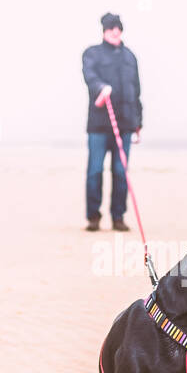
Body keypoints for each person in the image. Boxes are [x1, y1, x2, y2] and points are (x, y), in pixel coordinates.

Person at [81, 12, 142, 231]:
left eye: (118, 27)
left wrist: (138, 123)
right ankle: (93, 217)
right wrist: (100, 88)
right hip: (98, 126)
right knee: (95, 171)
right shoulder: (92, 54)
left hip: (125, 125)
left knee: (120, 171)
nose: (115, 31)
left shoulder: (129, 57)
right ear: (104, 30)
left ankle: (118, 217)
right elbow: (89, 76)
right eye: (111, 28)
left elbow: (136, 91)